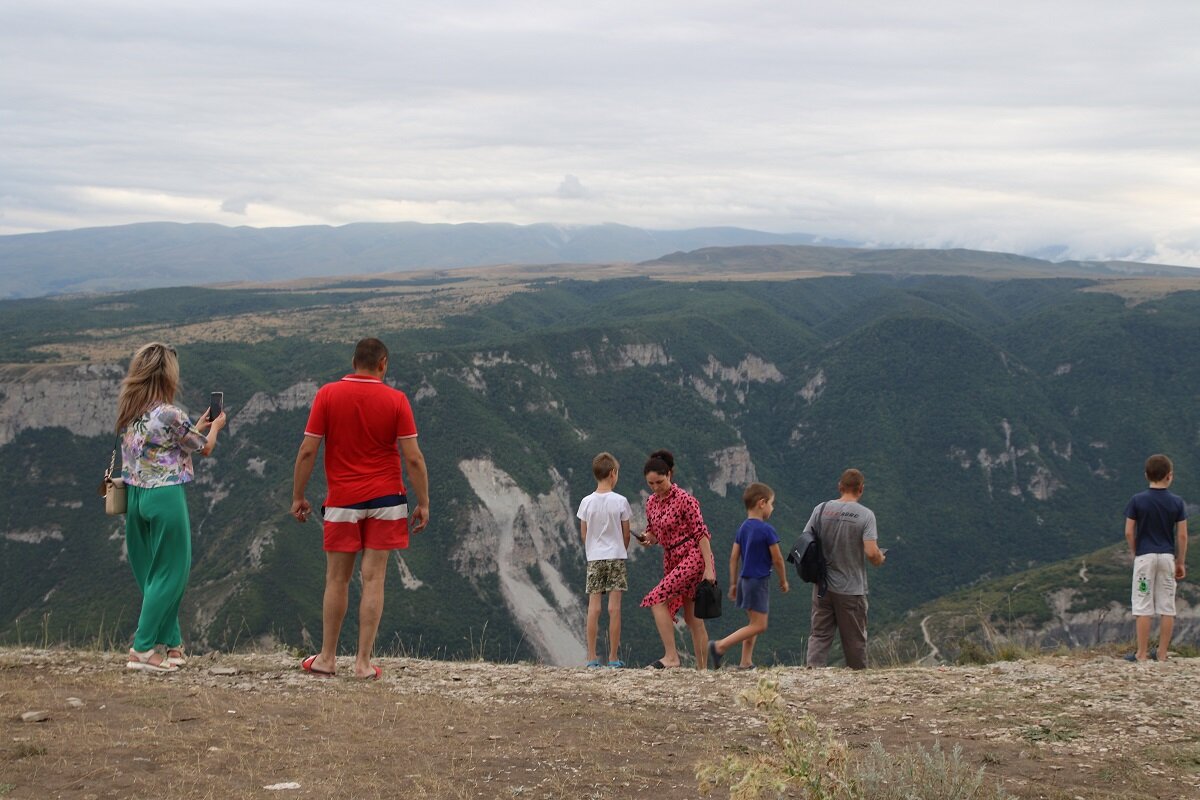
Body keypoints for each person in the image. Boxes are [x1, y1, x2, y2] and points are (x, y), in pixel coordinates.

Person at [291, 337, 430, 679]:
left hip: (342, 499)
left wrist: (298, 495)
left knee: (337, 578)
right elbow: (412, 457)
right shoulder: (396, 400)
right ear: (383, 364)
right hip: (387, 499)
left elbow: (308, 451)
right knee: (374, 579)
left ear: (354, 361)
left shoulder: (327, 394)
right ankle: (363, 664)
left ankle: (326, 658)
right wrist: (423, 501)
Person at [116, 342, 226, 673]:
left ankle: (173, 644)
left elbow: (169, 443)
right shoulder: (170, 413)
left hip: (134, 498)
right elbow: (204, 449)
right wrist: (215, 427)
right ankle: (143, 649)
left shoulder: (131, 411)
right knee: (172, 572)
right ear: (167, 375)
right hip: (164, 497)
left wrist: (199, 426)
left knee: (154, 573)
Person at [640, 449, 717, 669]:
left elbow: (701, 533)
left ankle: (672, 657)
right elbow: (654, 532)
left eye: (659, 482)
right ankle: (702, 670)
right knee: (693, 619)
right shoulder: (651, 503)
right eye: (651, 484)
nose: (656, 487)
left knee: (656, 599)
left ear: (670, 475)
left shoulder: (686, 500)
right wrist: (648, 538)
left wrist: (708, 568)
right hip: (673, 559)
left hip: (692, 556)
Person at [804, 468, 885, 670]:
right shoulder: (866, 516)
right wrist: (880, 558)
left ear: (840, 487)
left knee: (820, 634)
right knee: (854, 640)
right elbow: (871, 553)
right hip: (851, 589)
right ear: (861, 489)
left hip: (822, 586)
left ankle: (812, 673)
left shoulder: (820, 509)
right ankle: (857, 679)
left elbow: (805, 540)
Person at [709, 482, 788, 670]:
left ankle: (746, 662)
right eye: (771, 503)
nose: (772, 507)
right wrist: (783, 580)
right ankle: (719, 646)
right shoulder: (767, 530)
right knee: (760, 625)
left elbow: (733, 558)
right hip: (758, 581)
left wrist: (733, 584)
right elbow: (777, 559)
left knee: (752, 623)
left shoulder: (743, 528)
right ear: (762, 503)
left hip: (744, 581)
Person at [1124, 453, 1188, 663]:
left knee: (1143, 604)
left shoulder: (1137, 500)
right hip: (1167, 558)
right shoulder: (1177, 502)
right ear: (1169, 476)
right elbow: (1182, 534)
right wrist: (1180, 561)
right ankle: (1161, 654)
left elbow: (1129, 531)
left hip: (1145, 558)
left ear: (1146, 475)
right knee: (1166, 605)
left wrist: (1136, 552)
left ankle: (1141, 653)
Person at [577, 452, 634, 668]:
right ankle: (612, 658)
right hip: (616, 557)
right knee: (614, 609)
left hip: (595, 558)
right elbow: (626, 533)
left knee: (594, 608)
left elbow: (584, 533)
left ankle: (591, 657)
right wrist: (620, 547)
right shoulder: (621, 502)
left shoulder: (586, 502)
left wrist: (592, 549)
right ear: (613, 474)